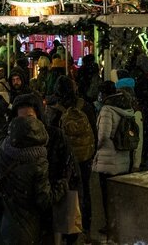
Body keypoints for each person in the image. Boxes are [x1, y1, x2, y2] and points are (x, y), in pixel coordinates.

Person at [0, 115, 67, 245]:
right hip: (28, 227)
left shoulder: (3, 150)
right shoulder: (38, 162)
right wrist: (61, 186)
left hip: (5, 222)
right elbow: (44, 200)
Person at [47, 75, 96, 244]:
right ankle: (85, 226)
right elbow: (93, 131)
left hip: (63, 158)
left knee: (64, 192)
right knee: (84, 191)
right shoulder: (85, 107)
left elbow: (51, 135)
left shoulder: (54, 108)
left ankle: (65, 229)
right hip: (83, 157)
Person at [92, 80, 137, 235]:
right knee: (120, 196)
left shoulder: (106, 109)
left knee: (108, 196)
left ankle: (111, 224)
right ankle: (123, 223)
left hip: (108, 159)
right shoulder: (126, 107)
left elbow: (103, 136)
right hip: (124, 157)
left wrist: (96, 148)